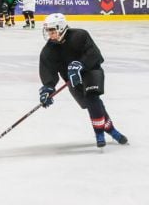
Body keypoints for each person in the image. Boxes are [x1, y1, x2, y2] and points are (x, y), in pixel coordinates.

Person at [38, 13, 128, 148]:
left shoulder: (80, 35)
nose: (49, 33)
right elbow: (48, 70)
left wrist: (81, 64)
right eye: (48, 30)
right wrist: (47, 88)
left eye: (52, 30)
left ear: (61, 27)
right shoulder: (48, 50)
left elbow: (95, 54)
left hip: (91, 71)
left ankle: (99, 133)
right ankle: (111, 129)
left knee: (92, 97)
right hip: (73, 80)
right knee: (90, 105)